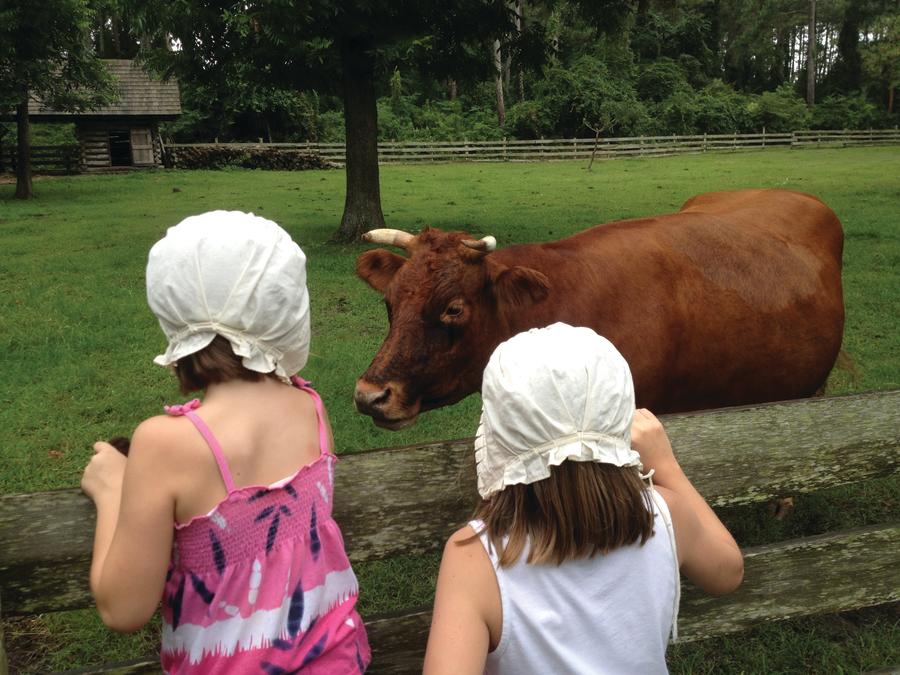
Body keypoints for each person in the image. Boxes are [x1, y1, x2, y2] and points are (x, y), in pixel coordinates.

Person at [81, 211, 371, 674]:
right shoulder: (309, 407)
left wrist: (112, 489)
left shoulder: (165, 443)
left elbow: (123, 610)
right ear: (286, 307)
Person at [423, 322, 744, 675]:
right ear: (622, 420)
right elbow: (728, 572)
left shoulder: (475, 558)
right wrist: (666, 465)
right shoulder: (666, 515)